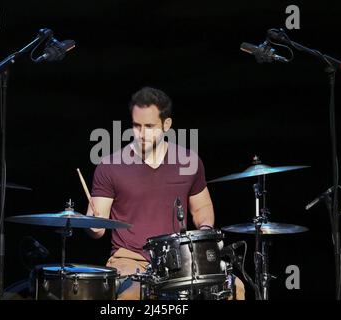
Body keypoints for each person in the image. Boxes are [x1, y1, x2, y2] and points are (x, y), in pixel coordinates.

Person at [86, 87, 244, 300]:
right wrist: (93, 226)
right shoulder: (110, 166)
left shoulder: (189, 161)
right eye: (136, 126)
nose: (141, 134)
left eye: (149, 126)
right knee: (133, 295)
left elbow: (201, 207)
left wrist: (204, 232)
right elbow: (97, 225)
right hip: (131, 259)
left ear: (166, 125)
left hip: (181, 260)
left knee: (235, 288)